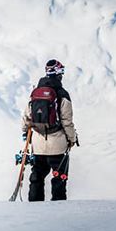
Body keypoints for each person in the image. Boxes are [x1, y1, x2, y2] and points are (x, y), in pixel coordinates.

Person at [21, 59, 78, 201]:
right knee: (59, 179)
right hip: (58, 145)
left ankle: (34, 208)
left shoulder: (35, 92)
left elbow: (27, 117)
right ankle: (57, 211)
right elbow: (67, 122)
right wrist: (72, 139)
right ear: (59, 74)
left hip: (38, 144)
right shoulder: (63, 94)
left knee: (37, 178)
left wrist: (25, 131)